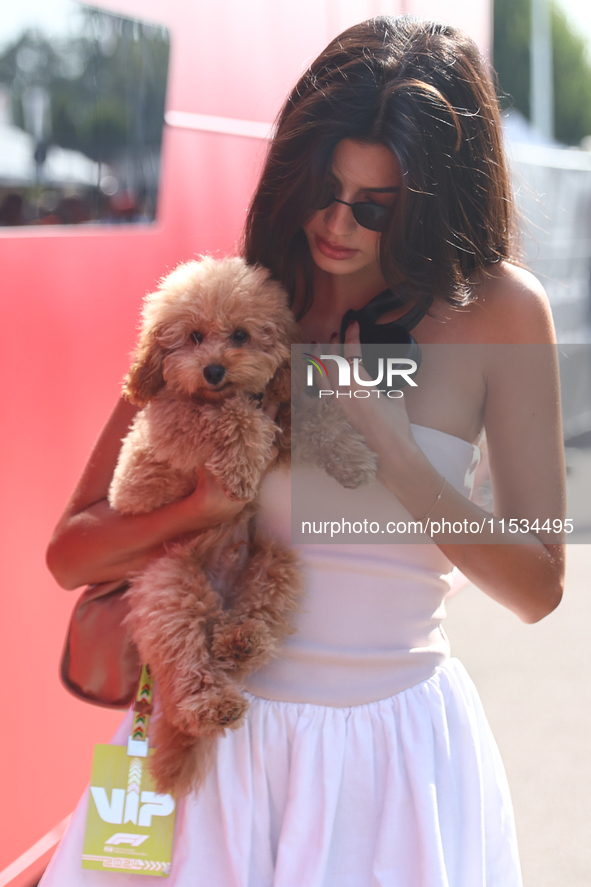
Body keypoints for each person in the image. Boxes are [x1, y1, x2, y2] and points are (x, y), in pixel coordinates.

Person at [42, 15, 565, 887]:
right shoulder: (238, 302)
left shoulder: (502, 311)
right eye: (324, 187)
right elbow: (68, 554)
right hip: (207, 751)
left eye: (374, 208)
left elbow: (538, 585)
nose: (336, 225)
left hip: (386, 762)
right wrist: (196, 509)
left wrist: (395, 452)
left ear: (434, 206)